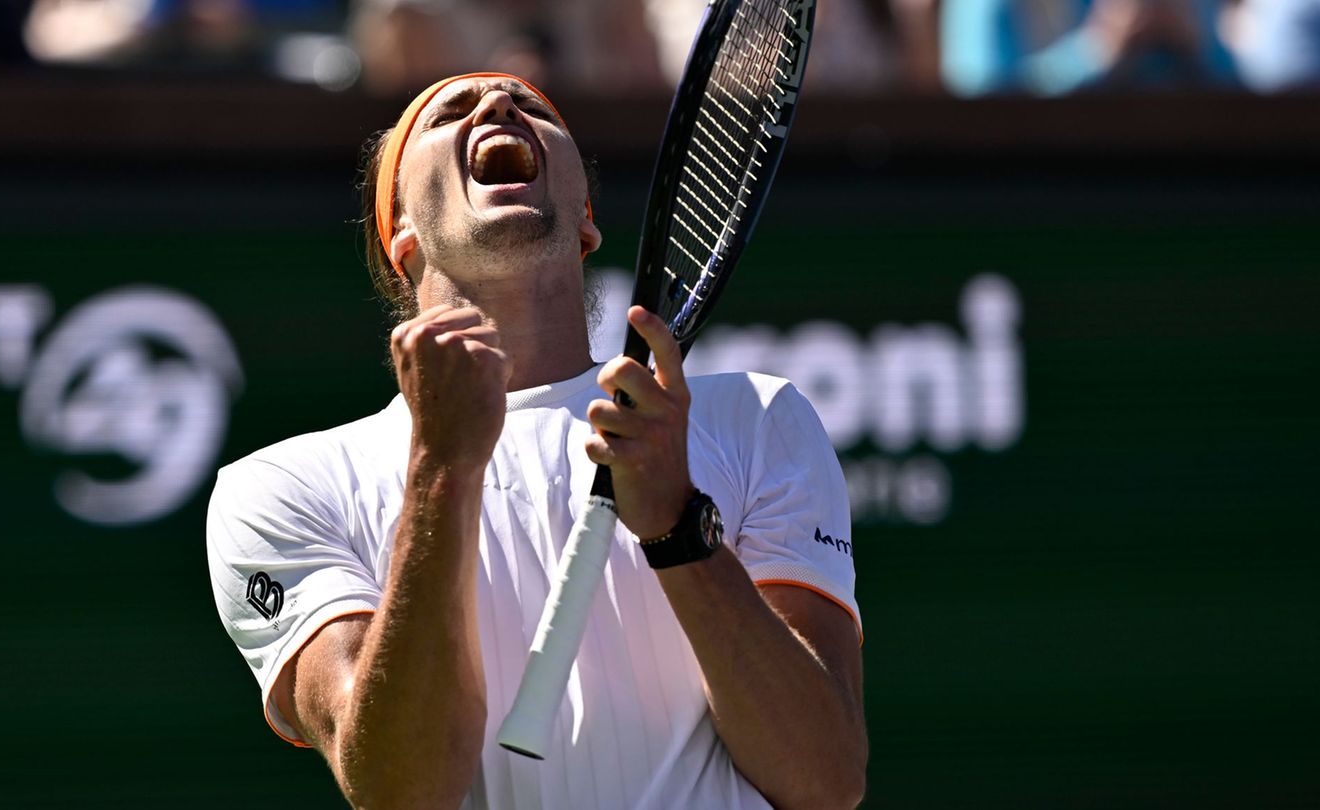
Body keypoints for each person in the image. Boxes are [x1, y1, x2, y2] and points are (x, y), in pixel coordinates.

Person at [206, 71, 866, 809]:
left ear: (584, 222)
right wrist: (443, 470)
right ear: (401, 233)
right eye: (450, 112)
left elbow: (824, 779)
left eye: (534, 109)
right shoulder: (282, 488)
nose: (497, 106)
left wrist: (679, 529)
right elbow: (398, 791)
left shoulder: (757, 415)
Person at [940, 0, 1239, 96]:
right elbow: (979, 108)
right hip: (1035, 203)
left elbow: (1242, 97)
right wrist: (1093, 53)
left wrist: (1191, 44)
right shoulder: (989, 6)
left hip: (1179, 197)